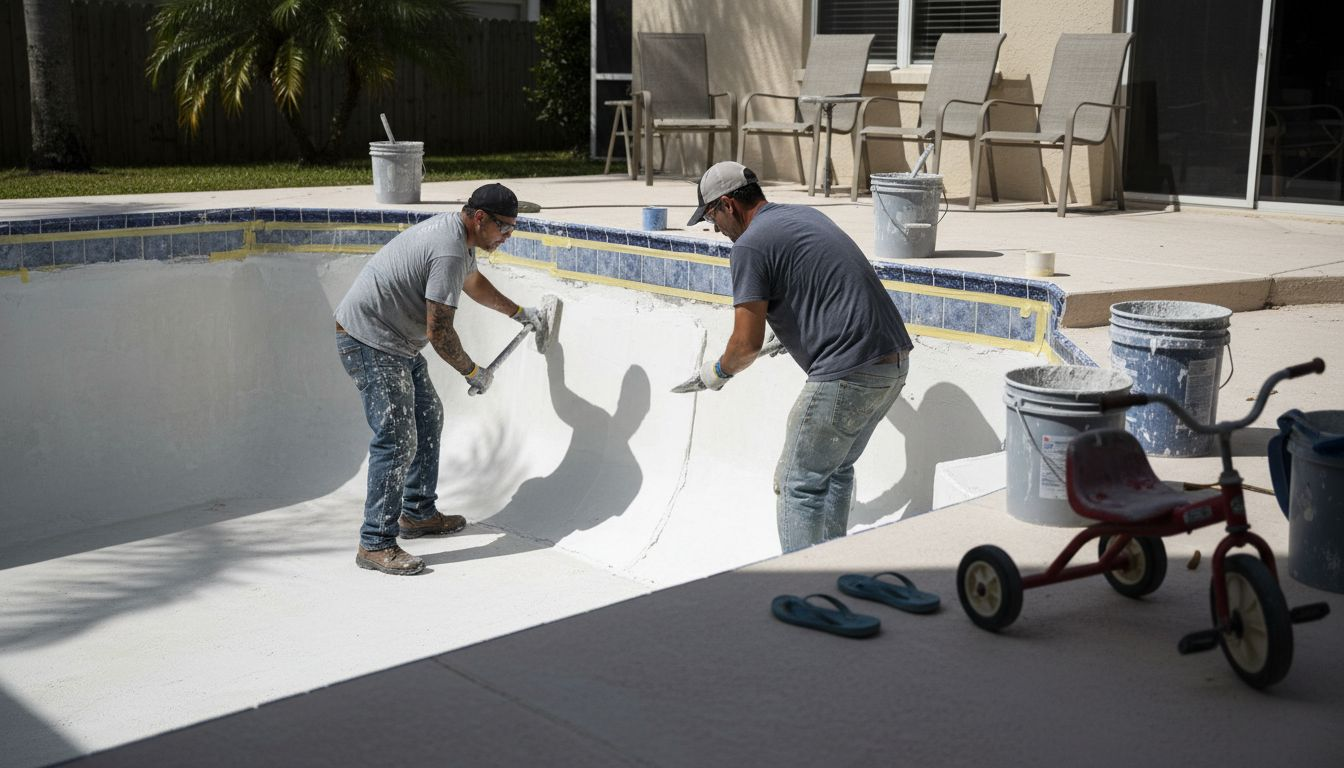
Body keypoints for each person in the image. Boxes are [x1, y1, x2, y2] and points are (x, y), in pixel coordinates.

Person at [678, 161, 914, 553]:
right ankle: (831, 568)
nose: (714, 229)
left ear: (727, 205)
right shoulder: (803, 215)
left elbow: (745, 346)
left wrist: (717, 372)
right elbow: (824, 284)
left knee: (797, 482)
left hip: (847, 369)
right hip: (893, 363)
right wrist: (793, 333)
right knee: (835, 470)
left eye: (710, 217)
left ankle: (803, 589)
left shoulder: (750, 245)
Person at [335, 183, 544, 575]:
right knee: (396, 437)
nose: (507, 236)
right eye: (504, 228)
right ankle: (375, 543)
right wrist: (473, 371)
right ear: (479, 217)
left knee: (428, 417)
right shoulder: (448, 250)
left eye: (514, 228)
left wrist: (517, 312)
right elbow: (440, 333)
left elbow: (474, 283)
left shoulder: (459, 237)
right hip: (369, 341)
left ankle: (417, 512)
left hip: (396, 342)